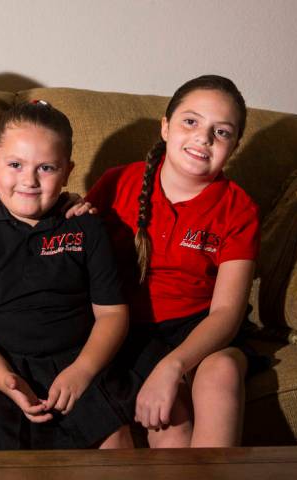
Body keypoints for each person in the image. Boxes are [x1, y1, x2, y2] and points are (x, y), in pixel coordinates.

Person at [0, 100, 137, 450]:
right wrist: (3, 378)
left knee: (116, 441)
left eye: (46, 167)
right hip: (1, 367)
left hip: (78, 361)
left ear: (67, 171)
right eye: (15, 165)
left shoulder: (85, 228)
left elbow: (112, 314)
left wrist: (83, 371)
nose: (29, 180)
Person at [86, 75, 260, 448]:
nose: (204, 137)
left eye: (222, 131)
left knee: (222, 371)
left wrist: (174, 366)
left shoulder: (239, 208)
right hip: (130, 329)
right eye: (191, 121)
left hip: (201, 328)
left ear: (236, 146)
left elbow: (226, 313)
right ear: (165, 127)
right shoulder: (118, 182)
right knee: (171, 418)